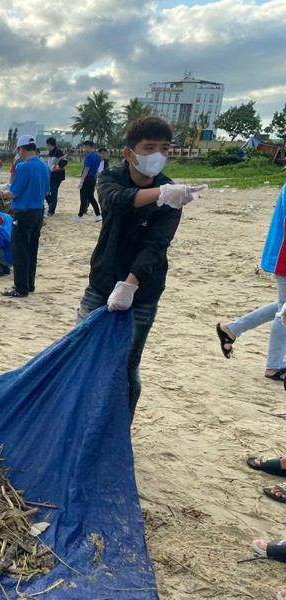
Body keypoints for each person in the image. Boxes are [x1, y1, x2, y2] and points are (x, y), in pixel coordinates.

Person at [75, 116, 207, 419]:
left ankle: (119, 427)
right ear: (129, 153)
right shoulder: (112, 177)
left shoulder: (174, 192)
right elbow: (114, 201)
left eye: (164, 148)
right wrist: (160, 195)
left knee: (128, 363)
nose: (157, 155)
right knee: (83, 351)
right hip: (102, 279)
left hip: (144, 287)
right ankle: (81, 416)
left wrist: (131, 283)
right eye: (149, 148)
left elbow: (156, 245)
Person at [216, 183, 286, 380]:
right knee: (284, 308)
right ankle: (275, 365)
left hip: (280, 254)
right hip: (284, 257)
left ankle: (231, 329)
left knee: (283, 305)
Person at [0, 135, 49, 298]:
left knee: (20, 251)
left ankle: (20, 287)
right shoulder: (44, 166)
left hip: (23, 213)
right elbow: (46, 191)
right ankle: (29, 284)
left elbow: (13, 193)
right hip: (38, 213)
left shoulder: (24, 167)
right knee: (32, 250)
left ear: (22, 149)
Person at [74, 140, 102, 222]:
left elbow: (86, 169)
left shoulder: (89, 156)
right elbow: (96, 170)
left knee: (83, 198)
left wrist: (81, 181)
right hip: (92, 178)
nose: (83, 149)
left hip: (87, 178)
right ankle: (97, 214)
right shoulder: (98, 156)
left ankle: (80, 216)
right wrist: (96, 181)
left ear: (87, 147)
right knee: (91, 197)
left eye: (83, 147)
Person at [45, 137, 67, 216]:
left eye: (47, 145)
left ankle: (51, 211)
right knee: (46, 191)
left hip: (57, 175)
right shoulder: (50, 153)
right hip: (50, 175)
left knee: (54, 192)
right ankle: (51, 205)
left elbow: (65, 161)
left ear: (49, 144)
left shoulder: (59, 152)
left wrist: (57, 166)